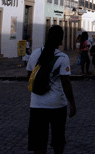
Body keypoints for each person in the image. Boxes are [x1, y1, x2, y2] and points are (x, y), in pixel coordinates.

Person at [26, 25, 76, 154]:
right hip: (57, 105)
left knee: (39, 143)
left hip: (37, 105)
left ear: (47, 37)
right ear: (61, 40)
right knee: (58, 141)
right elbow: (66, 82)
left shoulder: (34, 54)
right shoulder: (62, 58)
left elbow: (30, 78)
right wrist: (72, 104)